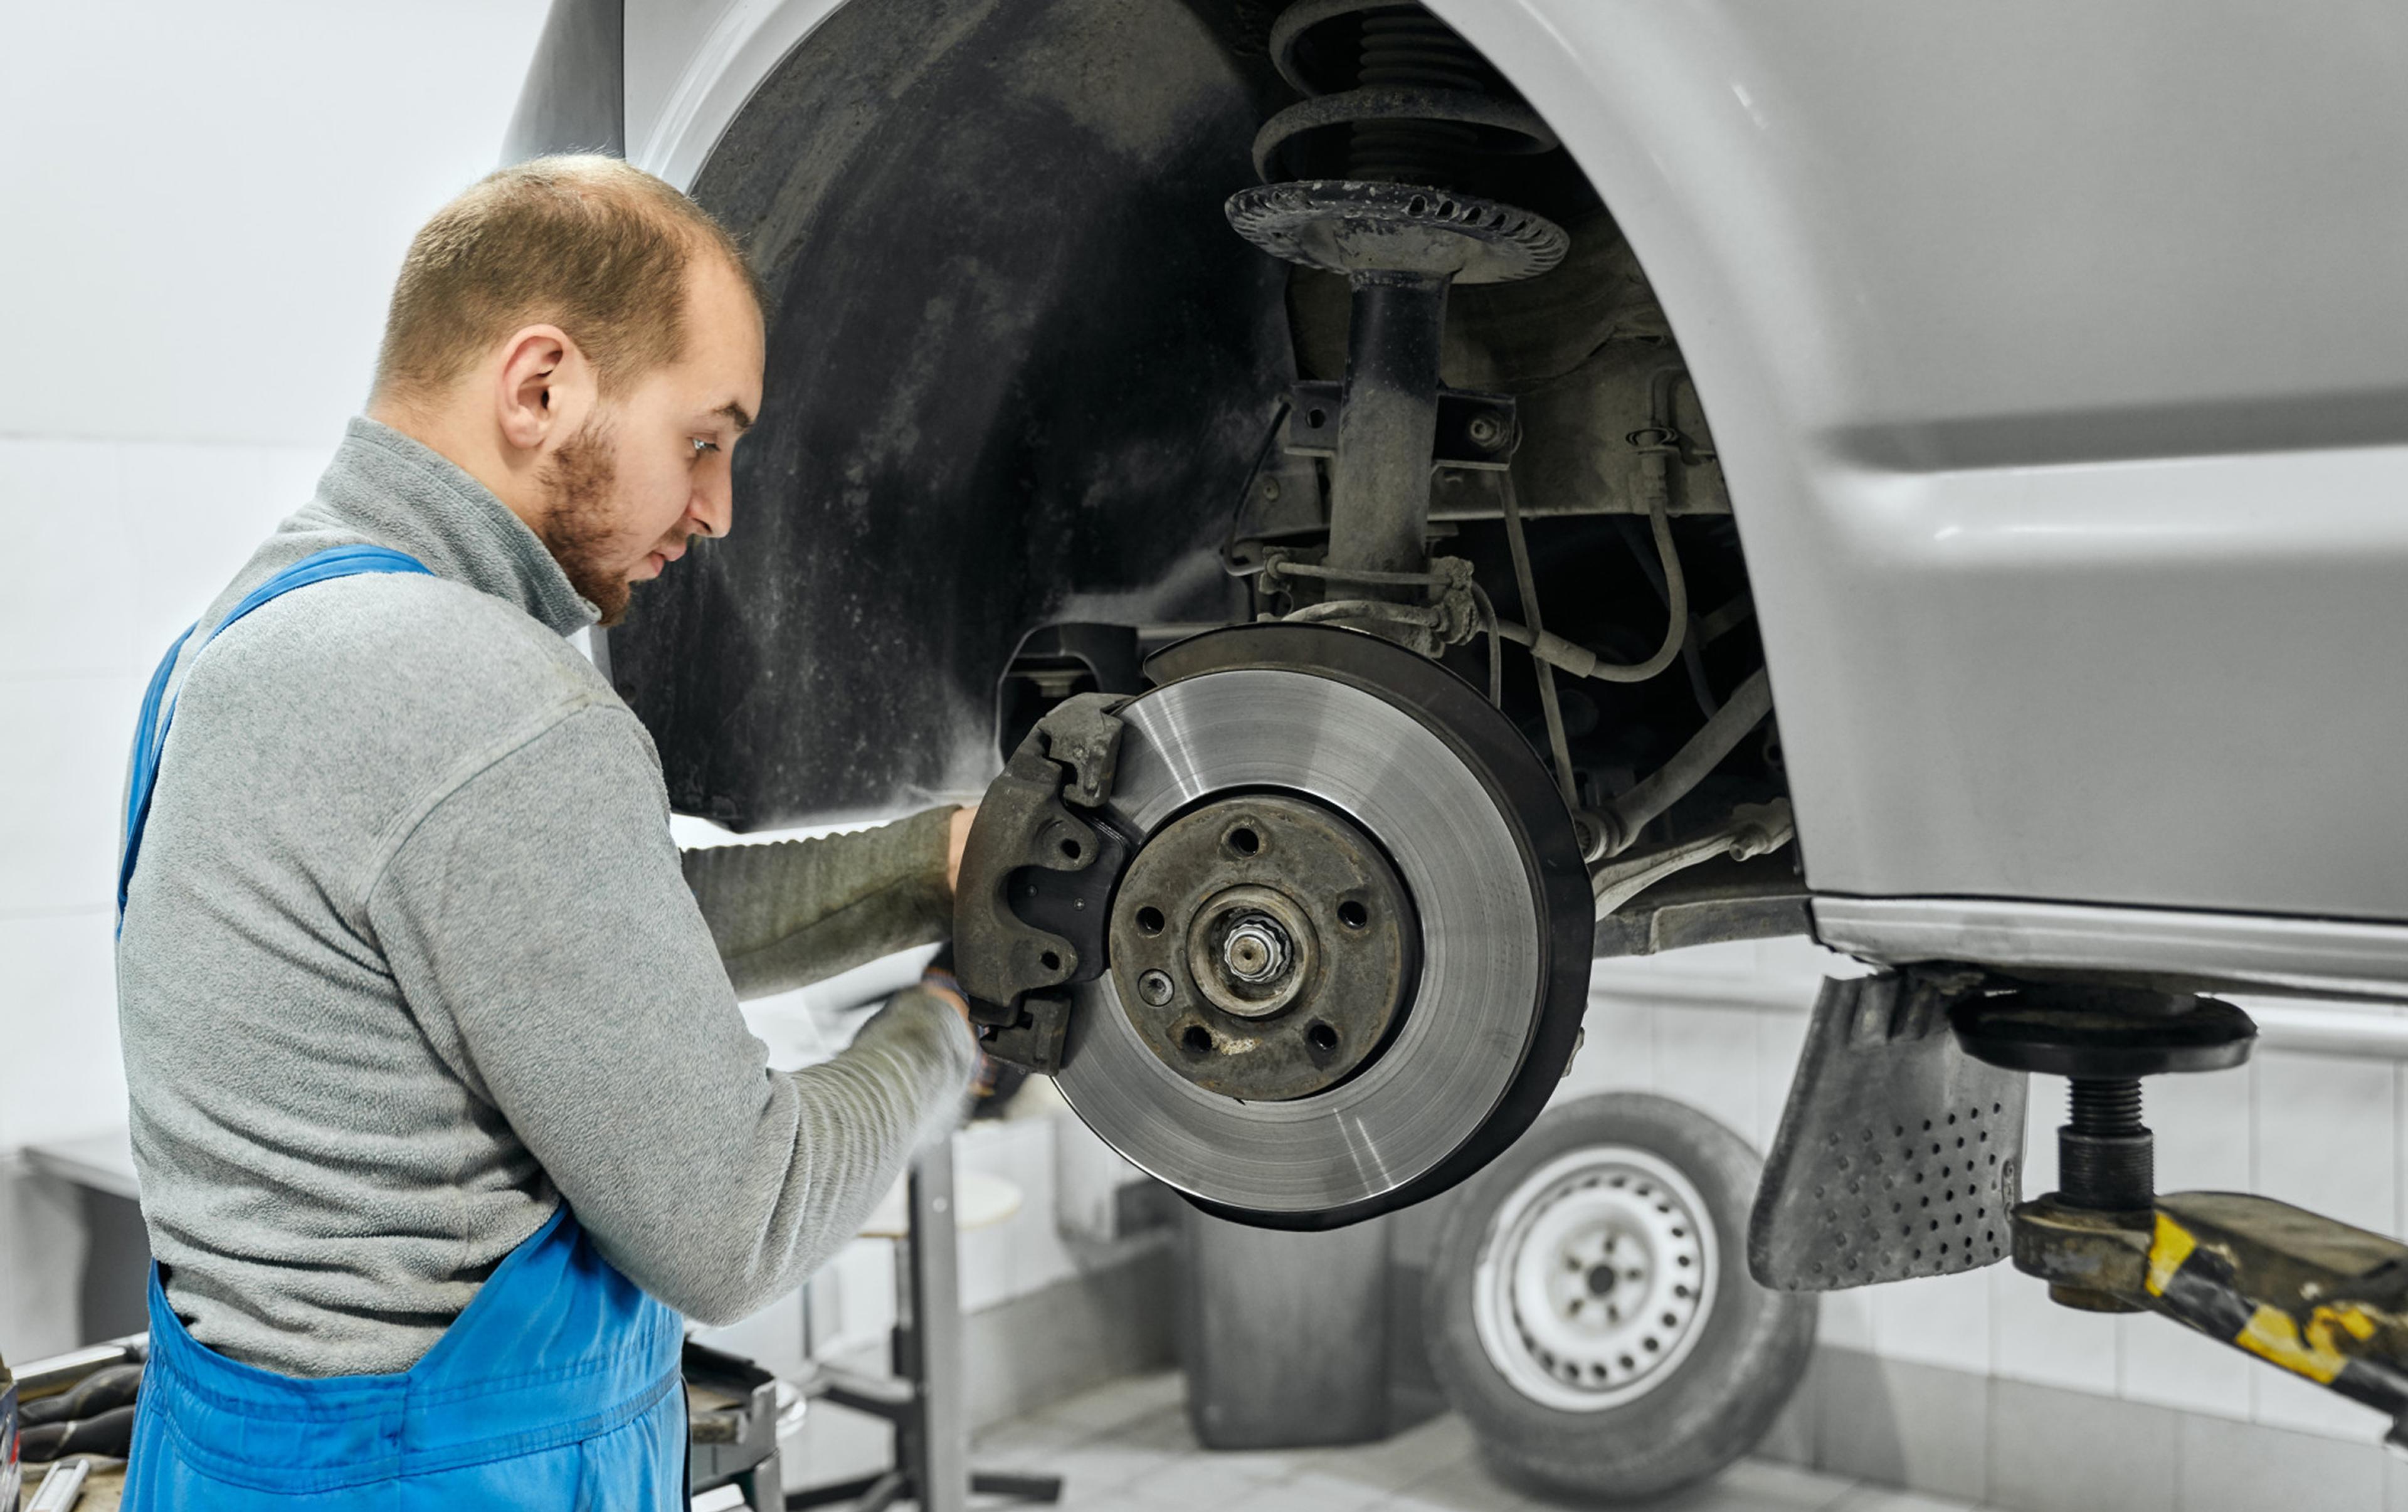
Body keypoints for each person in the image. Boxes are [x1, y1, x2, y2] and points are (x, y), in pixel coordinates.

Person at [113, 156, 978, 1508]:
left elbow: (579, 936)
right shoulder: (498, 704)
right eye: (704, 439)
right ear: (541, 388)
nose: (720, 509)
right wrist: (958, 1022)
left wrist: (929, 874)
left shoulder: (252, 629)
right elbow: (739, 1224)